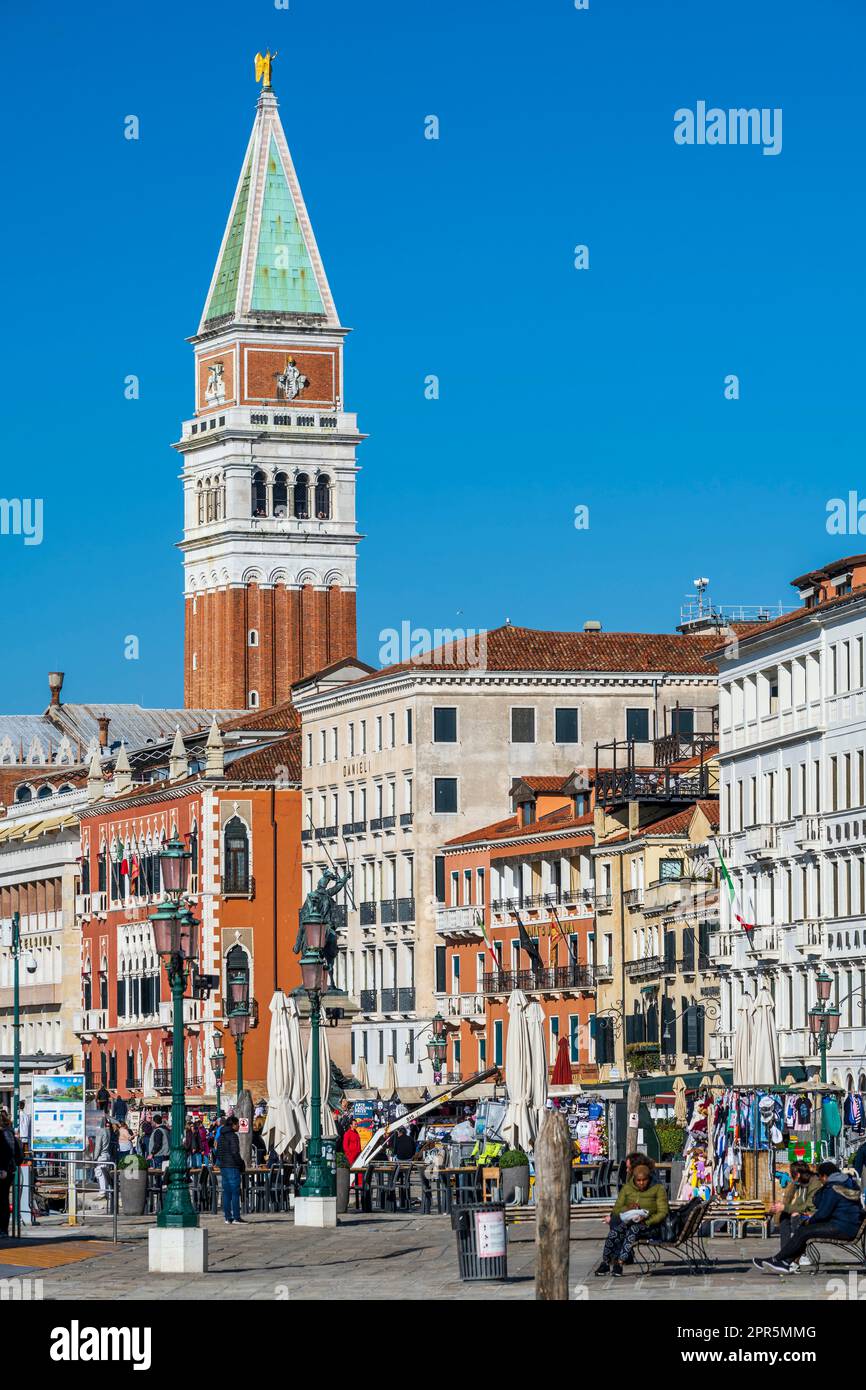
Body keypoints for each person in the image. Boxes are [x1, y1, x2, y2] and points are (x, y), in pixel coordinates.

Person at [754, 1161, 865, 1274]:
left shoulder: (832, 1187)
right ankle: (784, 1262)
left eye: (820, 1177)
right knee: (804, 1230)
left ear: (825, 1176)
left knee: (804, 1230)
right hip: (849, 1226)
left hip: (842, 1228)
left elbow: (823, 1213)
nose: (820, 1180)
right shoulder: (846, 1182)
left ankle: (778, 1260)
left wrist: (810, 1221)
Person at [595, 1160, 669, 1276]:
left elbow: (663, 1212)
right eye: (638, 1180)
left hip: (651, 1226)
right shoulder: (628, 1189)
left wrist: (647, 1218)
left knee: (632, 1231)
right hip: (630, 1222)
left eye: (644, 1180)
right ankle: (605, 1262)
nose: (641, 1183)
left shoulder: (658, 1189)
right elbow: (617, 1209)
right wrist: (627, 1208)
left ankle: (619, 1263)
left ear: (649, 1179)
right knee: (614, 1233)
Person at [770, 1162, 821, 1249]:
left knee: (796, 1219)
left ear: (797, 1175)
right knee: (784, 1216)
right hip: (806, 1212)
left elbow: (809, 1205)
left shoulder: (815, 1183)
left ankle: (800, 1254)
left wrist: (787, 1208)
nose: (791, 1177)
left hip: (816, 1214)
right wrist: (782, 1207)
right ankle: (785, 1251)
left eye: (792, 1174)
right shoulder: (802, 1183)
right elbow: (797, 1201)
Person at [216, 1115, 245, 1225]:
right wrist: (240, 1163)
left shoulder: (220, 1137)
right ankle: (237, 1216)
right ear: (233, 1125)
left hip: (223, 1166)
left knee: (227, 1193)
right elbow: (235, 1152)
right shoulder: (233, 1136)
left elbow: (217, 1152)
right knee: (235, 1192)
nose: (238, 1126)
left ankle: (228, 1217)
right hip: (232, 1166)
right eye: (237, 1124)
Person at [0, 1107, 22, 1237]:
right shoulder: (10, 1133)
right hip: (8, 1170)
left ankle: (2, 1229)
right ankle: (3, 1229)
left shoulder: (4, 1134)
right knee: (3, 1199)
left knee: (2, 1200)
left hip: (3, 1171)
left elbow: (6, 1152)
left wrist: (3, 1168)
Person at [92, 1115, 113, 1204]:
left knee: (100, 1174)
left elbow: (98, 1146)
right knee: (105, 1174)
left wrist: (95, 1157)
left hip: (101, 1156)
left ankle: (102, 1193)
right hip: (107, 1155)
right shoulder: (108, 1131)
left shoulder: (100, 1132)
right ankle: (106, 1192)